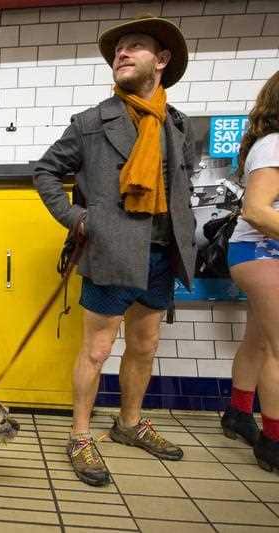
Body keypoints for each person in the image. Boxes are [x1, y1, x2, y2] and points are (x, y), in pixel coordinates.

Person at [33, 15, 198, 486]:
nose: (121, 54)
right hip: (110, 253)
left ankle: (128, 425)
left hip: (162, 255)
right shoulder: (90, 122)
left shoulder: (177, 124)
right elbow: (45, 171)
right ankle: (81, 436)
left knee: (144, 347)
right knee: (97, 350)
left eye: (134, 46)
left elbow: (182, 182)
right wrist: (78, 219)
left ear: (161, 60)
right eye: (117, 50)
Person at [222, 71, 279, 473]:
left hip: (259, 253)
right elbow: (256, 209)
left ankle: (239, 414)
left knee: (260, 342)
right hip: (263, 251)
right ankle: (274, 441)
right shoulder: (275, 145)